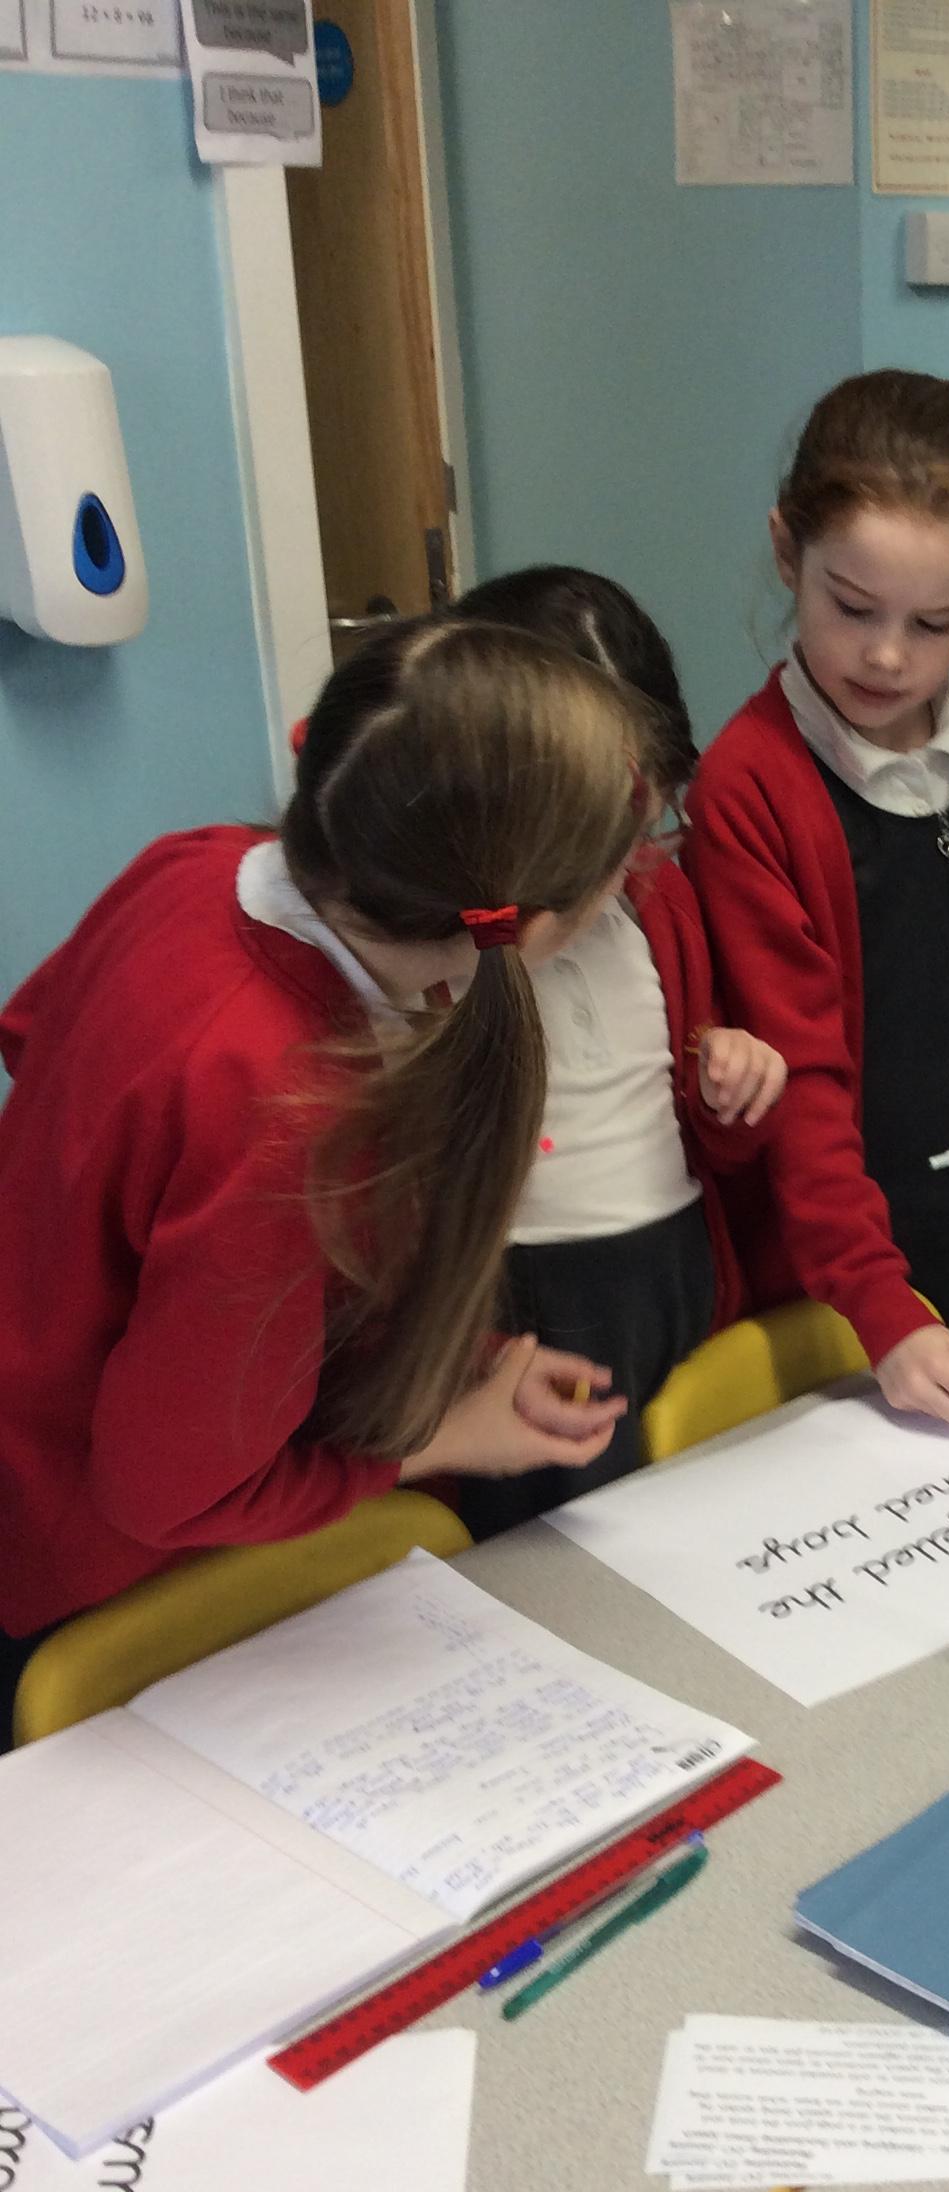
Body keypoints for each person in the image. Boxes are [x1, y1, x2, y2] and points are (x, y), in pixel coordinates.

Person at [0, 616, 663, 1731]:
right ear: (538, 925)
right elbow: (172, 1492)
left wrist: (457, 1365)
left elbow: (32, 1035)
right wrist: (441, 1439)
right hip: (84, 1588)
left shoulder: (195, 865)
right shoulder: (291, 1109)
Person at [686, 369, 949, 1427]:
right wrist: (879, 1305)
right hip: (830, 1287)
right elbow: (797, 1079)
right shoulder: (750, 789)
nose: (886, 654)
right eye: (851, 606)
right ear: (788, 553)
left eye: (936, 623)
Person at [449, 566, 785, 1537]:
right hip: (528, 1299)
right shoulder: (447, 943)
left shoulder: (657, 898)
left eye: (646, 825)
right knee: (557, 1546)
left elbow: (692, 1107)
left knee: (684, 1516)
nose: (624, 862)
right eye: (600, 833)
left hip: (673, 1269)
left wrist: (731, 1086)